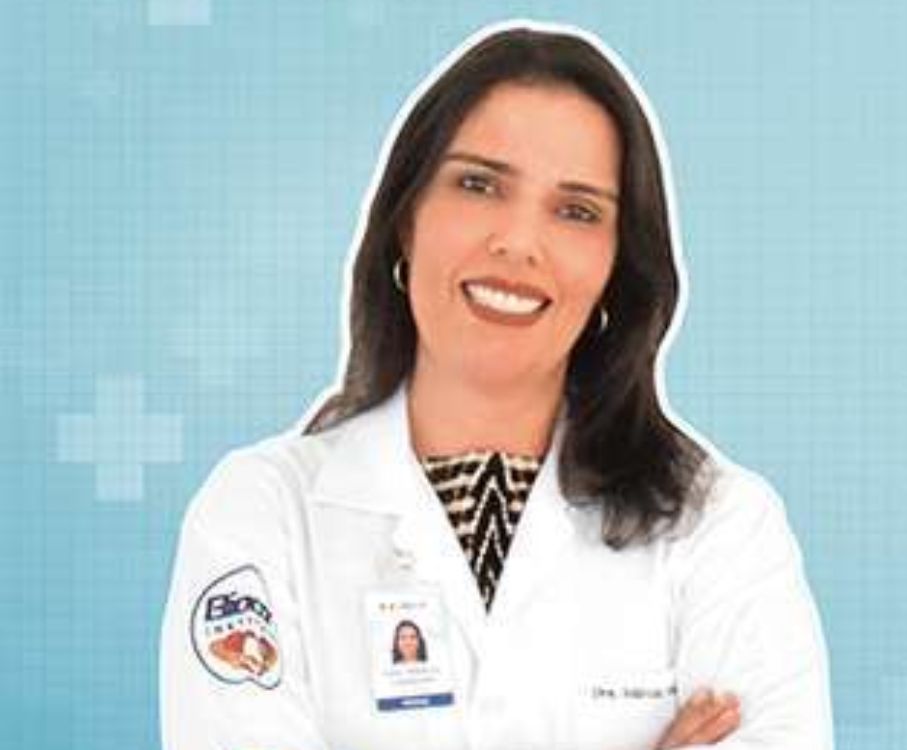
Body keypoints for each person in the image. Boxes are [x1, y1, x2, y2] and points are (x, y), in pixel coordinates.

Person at [159, 18, 834, 750]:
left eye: (577, 211)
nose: (517, 242)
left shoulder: (721, 525)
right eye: (478, 185)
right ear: (406, 220)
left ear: (617, 265)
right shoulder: (260, 514)